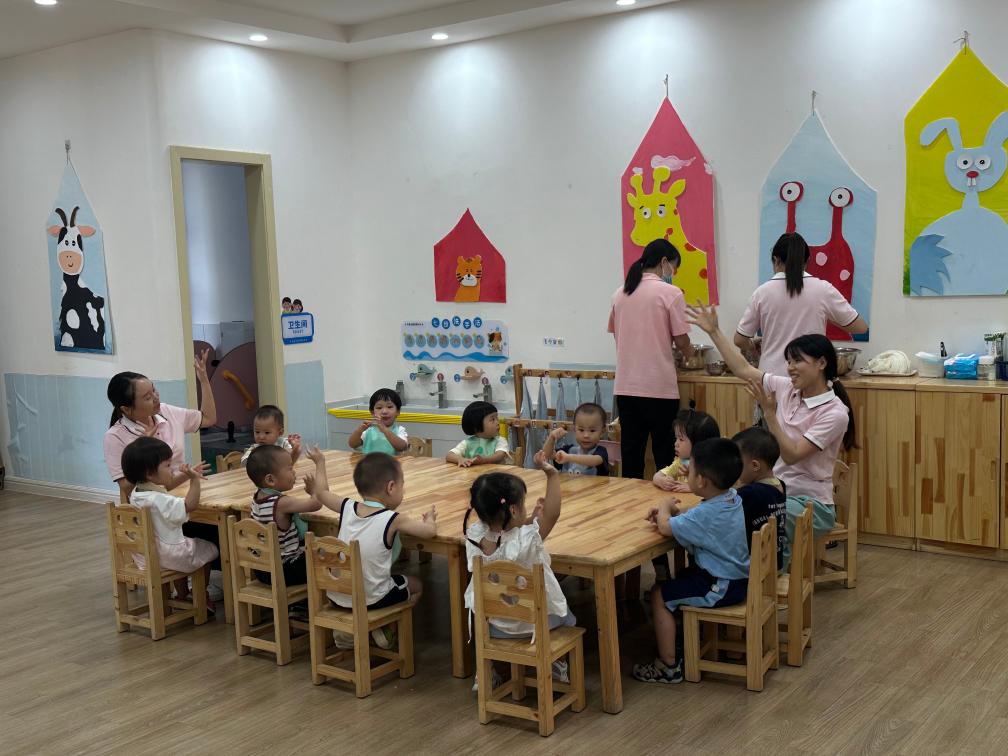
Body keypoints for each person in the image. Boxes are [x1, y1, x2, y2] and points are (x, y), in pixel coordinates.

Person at [688, 303, 855, 543]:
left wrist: (770, 415)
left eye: (797, 361)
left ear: (821, 363)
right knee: (721, 507)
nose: (790, 368)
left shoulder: (835, 413)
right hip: (773, 491)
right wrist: (714, 331)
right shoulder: (787, 387)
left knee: (747, 516)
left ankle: (768, 568)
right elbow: (743, 369)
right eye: (789, 361)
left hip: (810, 504)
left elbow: (792, 455)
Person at [634, 438, 750, 685]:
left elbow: (666, 528)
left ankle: (668, 666)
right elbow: (699, 519)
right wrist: (673, 514)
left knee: (659, 595)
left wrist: (665, 508)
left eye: (691, 469)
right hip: (735, 579)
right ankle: (679, 639)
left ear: (701, 481)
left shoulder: (707, 513)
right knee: (680, 579)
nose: (687, 472)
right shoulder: (731, 497)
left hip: (719, 585)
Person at [463, 451, 575, 688]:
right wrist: (552, 475)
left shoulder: (474, 536)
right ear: (513, 510)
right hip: (535, 624)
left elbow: (502, 534)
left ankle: (484, 672)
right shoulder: (528, 539)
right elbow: (553, 513)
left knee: (478, 599)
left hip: (495, 626)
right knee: (567, 614)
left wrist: (527, 520)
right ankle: (556, 664)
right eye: (523, 504)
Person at [312, 453, 436, 649]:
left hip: (337, 595)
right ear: (391, 487)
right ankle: (385, 628)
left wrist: (320, 462)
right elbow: (429, 532)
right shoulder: (393, 518)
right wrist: (430, 518)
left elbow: (321, 492)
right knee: (417, 585)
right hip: (372, 599)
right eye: (402, 485)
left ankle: (355, 631)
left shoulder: (347, 507)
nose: (403, 490)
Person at [608, 238, 693, 480]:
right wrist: (687, 354)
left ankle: (630, 502)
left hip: (626, 388)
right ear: (664, 262)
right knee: (664, 455)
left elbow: (617, 334)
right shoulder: (671, 293)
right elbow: (682, 341)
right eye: (673, 267)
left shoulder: (620, 293)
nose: (672, 273)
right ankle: (665, 501)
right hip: (659, 389)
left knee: (631, 455)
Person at [734, 232, 868, 376]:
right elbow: (860, 327)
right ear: (807, 261)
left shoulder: (761, 293)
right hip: (810, 379)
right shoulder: (823, 289)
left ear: (776, 260)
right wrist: (827, 316)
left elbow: (739, 340)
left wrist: (752, 346)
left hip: (770, 378)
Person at [103, 350, 217, 501]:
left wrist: (203, 380)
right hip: (151, 503)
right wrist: (144, 448)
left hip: (182, 493)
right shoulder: (115, 436)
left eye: (154, 390)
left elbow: (208, 418)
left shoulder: (167, 411)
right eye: (147, 397)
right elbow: (128, 488)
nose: (156, 398)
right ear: (126, 409)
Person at [121, 437, 219, 604]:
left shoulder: (136, 494)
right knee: (209, 548)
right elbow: (190, 505)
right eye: (167, 465)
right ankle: (200, 596)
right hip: (168, 556)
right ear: (149, 473)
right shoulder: (158, 499)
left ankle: (183, 594)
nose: (172, 469)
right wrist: (194, 480)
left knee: (187, 542)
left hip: (145, 557)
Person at [244, 444, 332, 586]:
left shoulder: (258, 496)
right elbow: (318, 502)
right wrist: (319, 466)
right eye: (290, 468)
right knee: (328, 554)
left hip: (262, 569)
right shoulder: (281, 503)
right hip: (284, 570)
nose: (294, 472)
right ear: (270, 480)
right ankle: (322, 597)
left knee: (314, 548)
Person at [732, 427, 787, 570]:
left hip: (753, 569)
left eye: (737, 462)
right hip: (775, 564)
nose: (733, 467)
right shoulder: (780, 486)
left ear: (755, 465)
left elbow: (720, 508)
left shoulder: (751, 493)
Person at [652, 408, 720, 493]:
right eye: (676, 438)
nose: (676, 443)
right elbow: (656, 476)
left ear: (699, 443)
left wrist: (693, 487)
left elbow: (717, 487)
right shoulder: (681, 463)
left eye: (681, 439)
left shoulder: (711, 465)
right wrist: (662, 481)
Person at [541, 402, 609, 476]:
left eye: (592, 431)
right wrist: (551, 437)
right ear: (574, 429)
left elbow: (595, 460)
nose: (586, 435)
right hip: (567, 484)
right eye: (581, 430)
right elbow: (546, 455)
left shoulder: (601, 451)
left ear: (602, 432)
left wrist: (568, 457)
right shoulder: (569, 450)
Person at [445, 401, 510, 467]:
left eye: (497, 418)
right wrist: (460, 459)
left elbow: (499, 456)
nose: (497, 422)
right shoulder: (467, 443)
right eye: (492, 419)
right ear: (476, 426)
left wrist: (484, 460)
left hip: (496, 473)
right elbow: (449, 455)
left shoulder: (500, 441)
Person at [349, 388, 408, 455]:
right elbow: (352, 444)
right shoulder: (368, 430)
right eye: (379, 408)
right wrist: (359, 430)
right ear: (372, 412)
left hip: (391, 462)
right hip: (369, 461)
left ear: (398, 411)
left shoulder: (400, 430)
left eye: (389, 407)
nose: (384, 411)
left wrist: (385, 430)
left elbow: (402, 447)